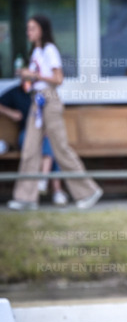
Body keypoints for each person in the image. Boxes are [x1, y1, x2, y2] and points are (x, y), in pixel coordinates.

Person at [7, 14, 102, 211]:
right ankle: (26, 197)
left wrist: (34, 75)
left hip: (49, 100)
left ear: (42, 29)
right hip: (36, 101)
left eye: (32, 28)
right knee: (29, 149)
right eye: (28, 28)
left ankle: (88, 192)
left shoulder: (50, 50)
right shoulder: (36, 51)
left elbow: (58, 79)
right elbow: (37, 78)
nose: (28, 32)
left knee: (60, 148)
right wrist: (27, 76)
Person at [0, 80, 67, 205]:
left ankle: (44, 185)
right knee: (36, 150)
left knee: (51, 146)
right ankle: (50, 186)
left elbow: (55, 111)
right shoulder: (15, 92)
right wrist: (11, 113)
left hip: (45, 132)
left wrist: (48, 128)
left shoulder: (44, 92)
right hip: (26, 132)